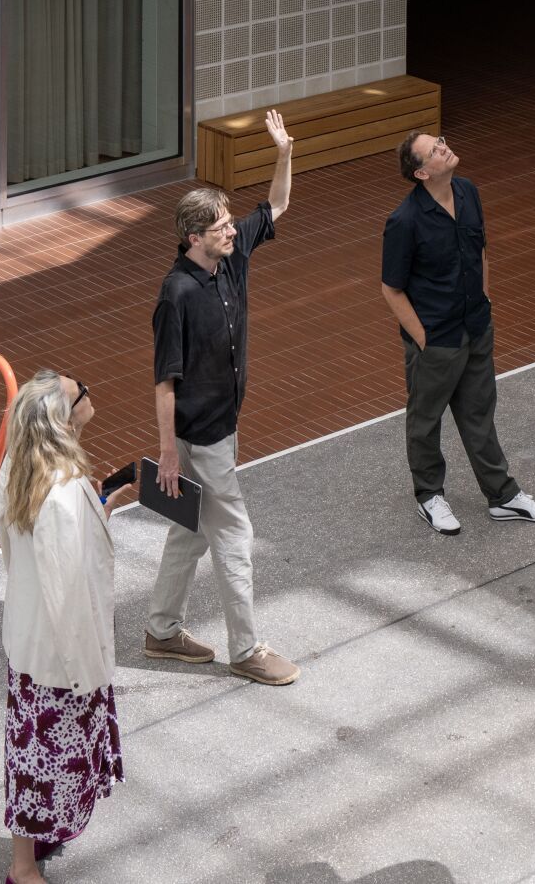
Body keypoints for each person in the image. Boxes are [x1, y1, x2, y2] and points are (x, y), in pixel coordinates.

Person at [142, 110, 300, 686]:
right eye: (221, 228)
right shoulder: (176, 295)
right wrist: (167, 453)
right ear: (194, 238)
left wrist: (282, 153)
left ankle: (161, 629)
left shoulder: (231, 262)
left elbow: (276, 206)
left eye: (232, 224)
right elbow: (165, 380)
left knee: (190, 531)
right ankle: (246, 649)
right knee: (233, 534)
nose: (233, 232)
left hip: (219, 428)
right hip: (198, 437)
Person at [0, 371, 137, 884]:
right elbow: (70, 588)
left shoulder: (17, 468)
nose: (89, 394)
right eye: (82, 392)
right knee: (42, 762)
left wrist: (99, 508)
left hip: (28, 641)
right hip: (64, 657)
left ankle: (36, 841)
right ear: (63, 417)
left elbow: (20, 557)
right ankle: (21, 868)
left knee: (29, 755)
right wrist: (90, 669)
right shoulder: (62, 491)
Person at [381, 131, 535, 535]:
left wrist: (485, 302)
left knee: (479, 413)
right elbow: (391, 288)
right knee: (425, 421)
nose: (444, 146)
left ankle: (502, 496)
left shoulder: (467, 192)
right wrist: (422, 339)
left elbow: (478, 252)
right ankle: (429, 496)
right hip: (436, 338)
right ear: (422, 172)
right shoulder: (405, 221)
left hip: (476, 326)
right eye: (434, 149)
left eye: (440, 140)